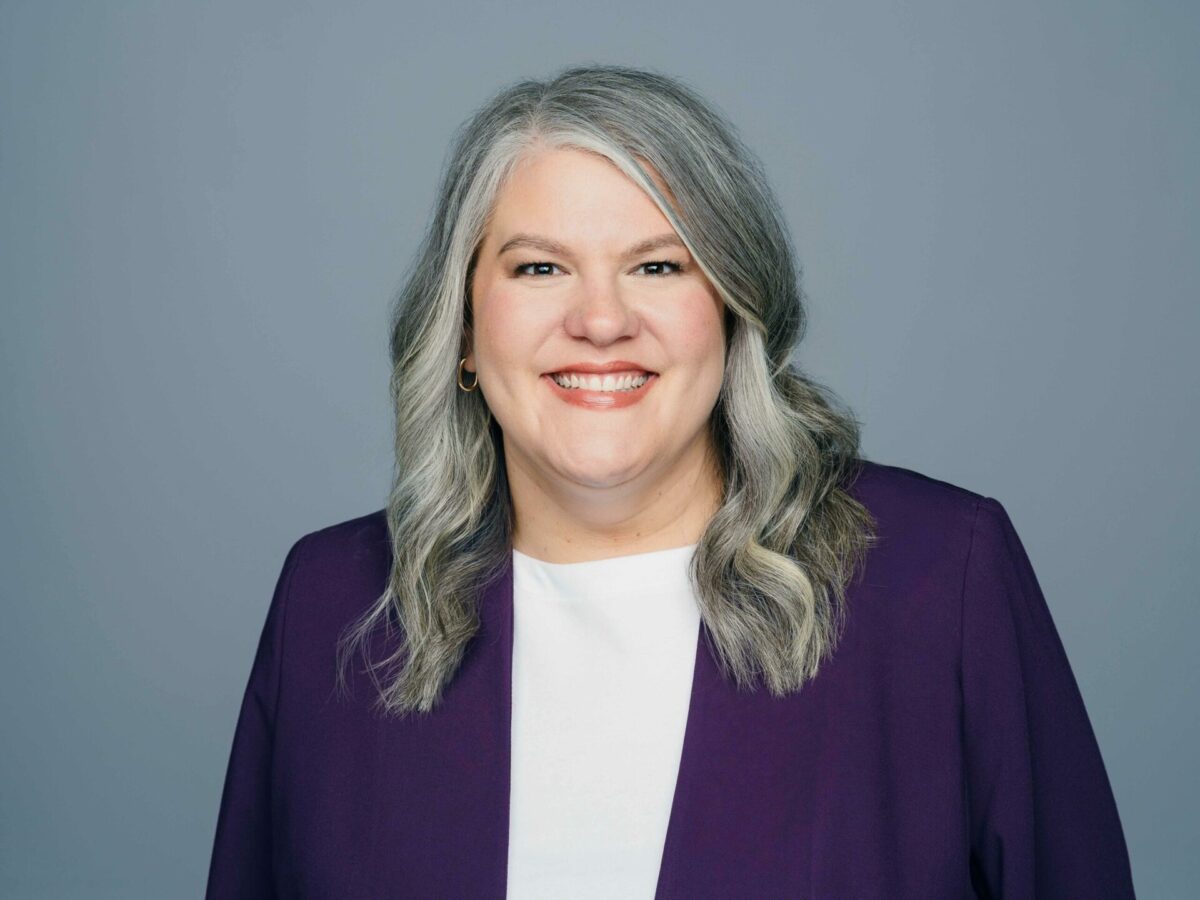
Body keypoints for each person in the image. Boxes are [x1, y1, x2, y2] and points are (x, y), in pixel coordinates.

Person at [205, 64, 1136, 899]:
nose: (600, 321)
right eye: (539, 267)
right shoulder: (331, 604)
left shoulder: (940, 579)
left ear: (733, 316)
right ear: (460, 334)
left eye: (657, 265)